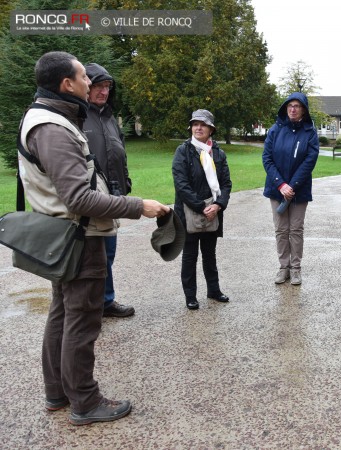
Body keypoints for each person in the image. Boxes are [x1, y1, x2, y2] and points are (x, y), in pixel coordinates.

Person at [18, 51, 169, 425]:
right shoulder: (52, 128)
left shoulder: (52, 118)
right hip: (79, 239)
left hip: (66, 236)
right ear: (66, 84)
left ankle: (58, 393)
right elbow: (79, 197)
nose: (91, 83)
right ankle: (84, 401)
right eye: (85, 77)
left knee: (63, 315)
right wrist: (139, 206)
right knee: (82, 321)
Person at [82, 63, 135, 318]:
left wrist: (125, 180)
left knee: (108, 253)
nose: (103, 92)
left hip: (113, 194)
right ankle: (91, 305)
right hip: (88, 196)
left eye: (107, 87)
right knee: (91, 256)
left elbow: (119, 152)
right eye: (98, 86)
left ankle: (105, 301)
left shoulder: (109, 117)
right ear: (86, 86)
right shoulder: (78, 116)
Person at [172, 109, 232, 310]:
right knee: (189, 255)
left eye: (203, 124)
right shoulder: (183, 151)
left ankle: (213, 290)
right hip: (189, 211)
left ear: (211, 129)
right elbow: (181, 185)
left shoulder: (218, 153)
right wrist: (201, 206)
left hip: (213, 211)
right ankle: (190, 296)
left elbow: (226, 183)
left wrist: (218, 205)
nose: (198, 127)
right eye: (195, 123)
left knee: (209, 254)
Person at [262, 92, 319, 285]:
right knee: (281, 229)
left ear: (303, 109)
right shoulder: (275, 130)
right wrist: (280, 184)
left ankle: (295, 268)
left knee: (295, 230)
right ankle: (283, 267)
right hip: (276, 189)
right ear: (285, 108)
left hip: (299, 190)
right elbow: (267, 158)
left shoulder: (309, 132)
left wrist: (291, 185)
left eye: (297, 106)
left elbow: (309, 161)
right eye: (290, 106)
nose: (293, 109)